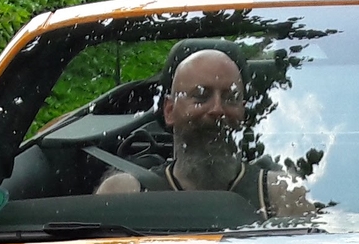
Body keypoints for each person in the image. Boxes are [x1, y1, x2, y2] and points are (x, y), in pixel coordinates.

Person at [94, 47, 312, 214]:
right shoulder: (125, 194)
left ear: (243, 113)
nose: (217, 109)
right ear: (169, 110)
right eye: (201, 96)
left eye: (230, 98)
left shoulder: (282, 196)